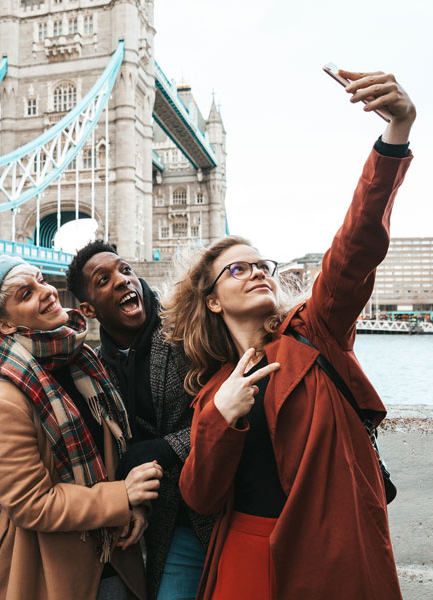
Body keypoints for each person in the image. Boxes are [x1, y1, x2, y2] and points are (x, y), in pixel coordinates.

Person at [163, 69, 416, 600]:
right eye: (237, 269)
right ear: (210, 299)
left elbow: (355, 249)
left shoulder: (315, 333)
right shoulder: (212, 387)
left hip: (331, 557)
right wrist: (218, 419)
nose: (258, 271)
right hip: (244, 556)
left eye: (262, 264)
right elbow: (201, 497)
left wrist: (393, 137)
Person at [0, 255, 162, 599]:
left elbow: (118, 458)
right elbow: (32, 504)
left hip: (118, 557)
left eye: (42, 280)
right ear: (6, 325)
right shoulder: (1, 402)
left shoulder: (84, 365)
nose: (47, 291)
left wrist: (137, 507)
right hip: (55, 574)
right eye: (26, 294)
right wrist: (122, 498)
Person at [66, 242, 215, 599]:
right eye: (104, 279)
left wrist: (164, 448)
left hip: (225, 500)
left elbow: (229, 408)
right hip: (171, 522)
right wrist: (136, 503)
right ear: (87, 308)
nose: (122, 280)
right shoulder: (94, 368)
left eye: (125, 270)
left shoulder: (186, 327)